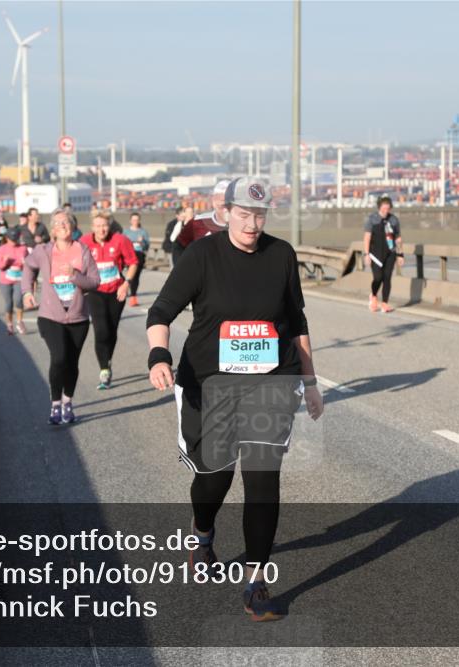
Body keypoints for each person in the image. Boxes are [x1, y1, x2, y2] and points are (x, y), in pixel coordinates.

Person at [146, 177, 325, 621]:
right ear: (225, 213)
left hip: (269, 383)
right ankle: (203, 532)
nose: (252, 224)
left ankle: (256, 583)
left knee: (263, 479)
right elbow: (160, 311)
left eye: (259, 216)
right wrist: (158, 355)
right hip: (211, 384)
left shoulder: (281, 254)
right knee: (215, 478)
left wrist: (310, 379)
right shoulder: (202, 255)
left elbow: (296, 318)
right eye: (244, 215)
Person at [22, 211, 100, 424]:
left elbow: (94, 281)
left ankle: (68, 401)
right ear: (53, 229)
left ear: (73, 226)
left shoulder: (82, 250)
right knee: (59, 358)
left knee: (72, 362)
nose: (61, 225)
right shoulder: (43, 251)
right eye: (57, 223)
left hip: (78, 317)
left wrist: (75, 276)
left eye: (66, 221)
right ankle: (55, 404)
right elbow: (28, 267)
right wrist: (27, 292)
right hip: (50, 315)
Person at [80, 210, 139, 389]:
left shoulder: (120, 240)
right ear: (92, 227)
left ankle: (108, 359)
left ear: (109, 226)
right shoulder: (84, 242)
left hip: (116, 290)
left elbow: (133, 262)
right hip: (95, 291)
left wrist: (126, 283)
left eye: (104, 225)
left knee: (112, 330)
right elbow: (76, 265)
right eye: (98, 226)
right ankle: (104, 369)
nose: (101, 229)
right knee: (101, 330)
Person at [362, 195, 404, 313]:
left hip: (390, 253)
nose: (386, 211)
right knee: (378, 277)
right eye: (383, 209)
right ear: (379, 207)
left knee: (387, 278)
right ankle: (374, 295)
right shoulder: (372, 219)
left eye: (388, 209)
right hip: (375, 254)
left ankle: (384, 303)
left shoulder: (394, 220)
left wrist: (400, 255)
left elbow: (398, 239)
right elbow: (367, 237)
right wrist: (366, 254)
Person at [0, 227, 30, 335]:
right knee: (8, 303)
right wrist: (5, 262)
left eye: (15, 239)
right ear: (7, 238)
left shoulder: (23, 248)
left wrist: (25, 263)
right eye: (11, 239)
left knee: (19, 300)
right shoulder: (3, 248)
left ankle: (19, 321)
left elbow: (30, 263)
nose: (13, 241)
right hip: (6, 280)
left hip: (19, 279)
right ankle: (9, 325)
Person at [176, 180, 230, 249]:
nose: (225, 208)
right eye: (219, 199)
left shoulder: (242, 224)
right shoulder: (197, 222)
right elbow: (179, 244)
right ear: (213, 201)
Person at [122, 211, 150, 307]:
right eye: (133, 220)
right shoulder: (126, 232)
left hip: (139, 254)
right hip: (128, 255)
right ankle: (127, 290)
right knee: (130, 276)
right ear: (130, 221)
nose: (135, 221)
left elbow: (147, 246)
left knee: (136, 277)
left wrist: (142, 242)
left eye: (137, 220)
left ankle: (133, 297)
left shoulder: (143, 232)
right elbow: (121, 245)